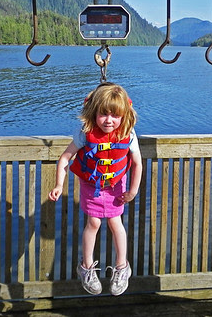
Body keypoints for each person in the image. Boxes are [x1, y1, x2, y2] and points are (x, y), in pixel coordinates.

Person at [49, 82, 142, 296]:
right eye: (103, 114)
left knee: (115, 222)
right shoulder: (86, 132)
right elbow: (65, 158)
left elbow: (137, 163)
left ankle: (122, 268)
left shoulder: (128, 133)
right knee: (94, 222)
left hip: (116, 187)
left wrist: (133, 191)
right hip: (92, 185)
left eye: (115, 115)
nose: (109, 120)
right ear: (94, 113)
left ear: (123, 115)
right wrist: (59, 184)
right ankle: (86, 267)